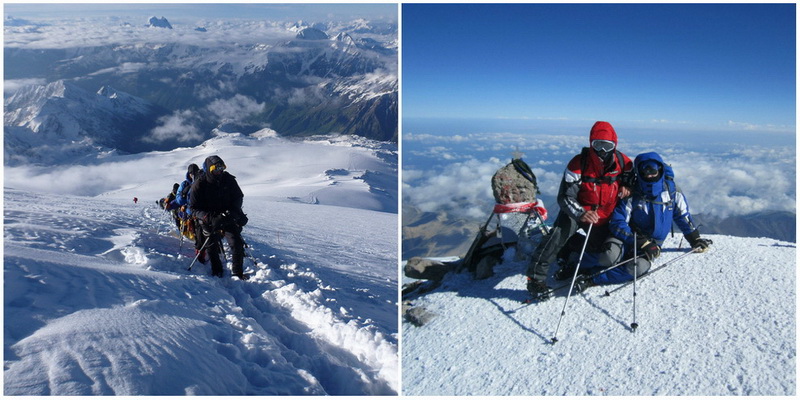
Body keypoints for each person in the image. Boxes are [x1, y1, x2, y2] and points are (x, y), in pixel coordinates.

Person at [572, 151, 712, 292]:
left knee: (638, 268)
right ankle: (574, 261)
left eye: (653, 169)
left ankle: (591, 279)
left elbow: (682, 216)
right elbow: (617, 222)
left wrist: (694, 238)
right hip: (627, 238)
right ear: (639, 172)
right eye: (645, 170)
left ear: (660, 169)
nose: (649, 174)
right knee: (609, 256)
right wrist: (639, 241)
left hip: (652, 245)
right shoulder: (632, 192)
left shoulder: (672, 192)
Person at [525, 121, 633, 300]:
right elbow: (565, 197)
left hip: (605, 215)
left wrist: (628, 186)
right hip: (578, 211)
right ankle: (535, 279)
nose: (602, 151)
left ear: (615, 145)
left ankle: (571, 252)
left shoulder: (622, 162)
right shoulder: (578, 164)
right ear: (591, 143)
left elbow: (631, 176)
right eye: (598, 145)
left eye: (608, 146)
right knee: (556, 236)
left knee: (602, 250)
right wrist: (581, 213)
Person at [190, 155, 250, 279]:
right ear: (208, 169)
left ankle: (237, 273)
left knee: (236, 242)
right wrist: (207, 217)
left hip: (227, 215)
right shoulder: (199, 184)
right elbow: (194, 208)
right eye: (216, 169)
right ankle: (217, 271)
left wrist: (233, 212)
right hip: (209, 219)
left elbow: (238, 197)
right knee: (212, 245)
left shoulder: (228, 179)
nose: (220, 171)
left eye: (221, 168)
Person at [171, 163, 204, 261]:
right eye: (191, 173)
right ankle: (200, 251)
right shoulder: (185, 184)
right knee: (198, 232)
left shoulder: (202, 182)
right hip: (190, 212)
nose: (192, 175)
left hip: (201, 210)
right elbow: (179, 200)